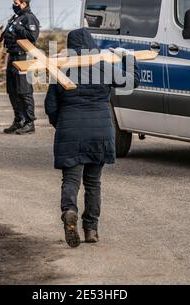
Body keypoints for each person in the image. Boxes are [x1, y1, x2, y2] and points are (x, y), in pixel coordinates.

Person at [44, 28, 140, 248]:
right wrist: (129, 58)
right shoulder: (104, 67)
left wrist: (60, 124)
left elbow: (51, 106)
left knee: (71, 180)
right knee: (93, 182)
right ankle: (91, 229)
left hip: (70, 130)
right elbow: (131, 82)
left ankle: (69, 211)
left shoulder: (61, 69)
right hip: (100, 132)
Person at [1, 0, 40, 135]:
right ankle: (19, 120)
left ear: (24, 3)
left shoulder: (29, 18)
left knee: (24, 91)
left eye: (16, 3)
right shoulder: (15, 18)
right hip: (12, 56)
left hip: (23, 57)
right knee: (12, 91)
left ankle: (30, 122)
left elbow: (32, 37)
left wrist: (18, 28)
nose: (14, 5)